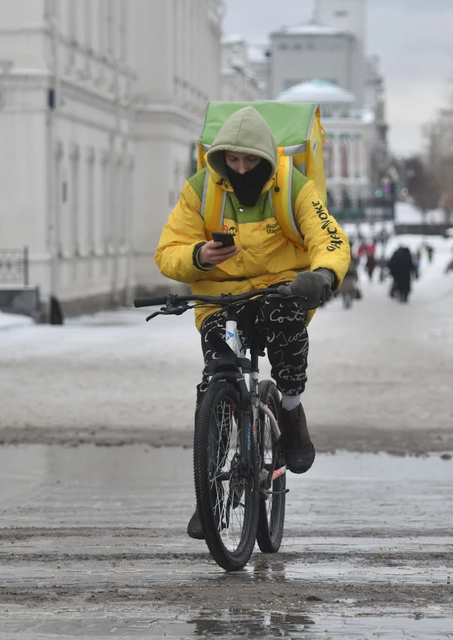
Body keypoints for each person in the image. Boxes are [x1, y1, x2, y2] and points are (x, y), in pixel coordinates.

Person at [154, 106, 351, 540]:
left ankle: (291, 411)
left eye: (250, 161)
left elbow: (330, 239)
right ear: (220, 158)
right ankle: (209, 490)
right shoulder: (201, 189)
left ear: (265, 157)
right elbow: (167, 250)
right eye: (233, 161)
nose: (241, 169)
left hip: (279, 292)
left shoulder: (292, 187)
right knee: (217, 380)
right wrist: (198, 256)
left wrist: (322, 276)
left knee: (284, 325)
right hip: (221, 302)